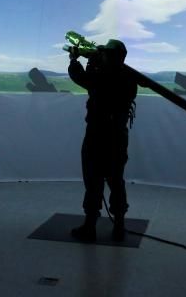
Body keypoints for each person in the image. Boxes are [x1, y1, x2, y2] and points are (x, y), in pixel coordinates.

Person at [68, 39, 137, 242]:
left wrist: (75, 60)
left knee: (93, 180)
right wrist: (98, 62)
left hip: (97, 135)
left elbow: (80, 77)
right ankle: (119, 227)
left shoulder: (101, 75)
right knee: (116, 180)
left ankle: (90, 227)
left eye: (105, 53)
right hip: (118, 137)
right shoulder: (128, 78)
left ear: (110, 56)